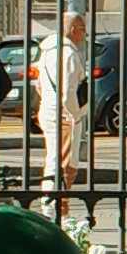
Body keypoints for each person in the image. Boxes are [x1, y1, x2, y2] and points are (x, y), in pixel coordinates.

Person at [32, 11, 89, 199]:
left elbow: (39, 84)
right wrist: (76, 114)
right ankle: (57, 207)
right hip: (65, 115)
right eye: (82, 29)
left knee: (53, 159)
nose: (84, 34)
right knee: (66, 163)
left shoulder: (47, 50)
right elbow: (68, 92)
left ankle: (50, 203)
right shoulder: (68, 54)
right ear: (73, 29)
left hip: (48, 109)